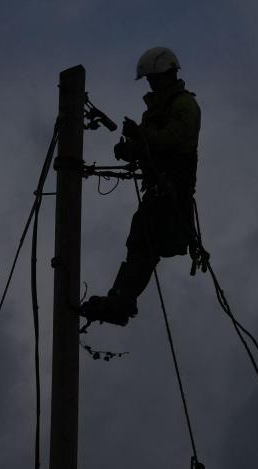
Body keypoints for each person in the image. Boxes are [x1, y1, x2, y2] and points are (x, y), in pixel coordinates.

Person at [81, 47, 202, 327]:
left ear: (168, 75)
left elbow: (172, 140)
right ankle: (119, 299)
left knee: (146, 245)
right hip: (157, 189)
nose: (151, 84)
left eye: (153, 79)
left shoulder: (185, 106)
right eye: (149, 80)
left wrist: (140, 137)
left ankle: (122, 301)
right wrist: (130, 149)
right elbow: (150, 145)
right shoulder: (155, 110)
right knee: (139, 243)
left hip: (173, 191)